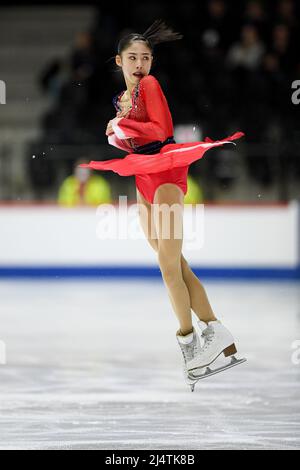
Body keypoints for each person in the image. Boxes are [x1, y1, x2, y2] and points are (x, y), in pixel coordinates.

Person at [79, 20, 245, 390]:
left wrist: (124, 128)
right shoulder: (122, 99)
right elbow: (130, 142)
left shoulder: (150, 86)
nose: (140, 64)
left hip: (166, 172)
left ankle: (189, 340)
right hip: (144, 178)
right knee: (175, 263)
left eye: (146, 58)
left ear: (151, 63)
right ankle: (216, 332)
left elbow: (158, 131)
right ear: (118, 61)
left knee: (168, 265)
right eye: (132, 58)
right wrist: (117, 133)